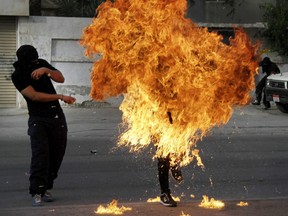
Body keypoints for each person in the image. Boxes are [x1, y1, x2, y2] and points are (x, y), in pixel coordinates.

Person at [11, 45, 76, 206]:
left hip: (56, 117)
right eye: (31, 60)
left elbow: (60, 78)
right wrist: (60, 96)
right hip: (38, 119)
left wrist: (46, 70)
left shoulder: (41, 63)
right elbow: (34, 96)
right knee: (40, 155)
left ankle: (46, 187)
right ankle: (36, 191)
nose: (35, 62)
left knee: (56, 154)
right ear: (23, 60)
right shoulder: (18, 75)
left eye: (36, 59)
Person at [157, 111, 183, 207]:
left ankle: (174, 164)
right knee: (163, 158)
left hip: (176, 118)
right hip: (158, 122)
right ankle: (164, 194)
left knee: (180, 147)